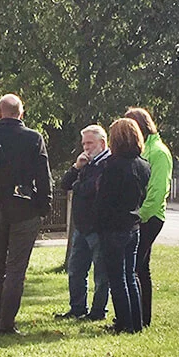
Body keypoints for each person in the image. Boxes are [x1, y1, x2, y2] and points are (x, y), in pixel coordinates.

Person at [0, 94, 52, 335]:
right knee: (16, 269)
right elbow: (43, 176)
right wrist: (43, 207)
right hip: (24, 210)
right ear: (21, 114)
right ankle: (7, 322)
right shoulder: (33, 138)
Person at [94, 118, 150, 334]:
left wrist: (97, 224)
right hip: (132, 225)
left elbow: (104, 200)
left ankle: (124, 323)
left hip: (113, 227)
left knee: (117, 278)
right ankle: (136, 322)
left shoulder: (112, 167)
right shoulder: (143, 165)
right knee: (130, 275)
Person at [55, 125, 111, 320]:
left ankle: (98, 311)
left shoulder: (108, 164)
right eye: (84, 144)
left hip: (98, 227)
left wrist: (78, 185)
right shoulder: (86, 163)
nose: (86, 147)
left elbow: (91, 189)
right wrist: (76, 168)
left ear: (102, 143)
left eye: (90, 143)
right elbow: (65, 184)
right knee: (76, 269)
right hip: (81, 226)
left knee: (101, 273)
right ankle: (77, 307)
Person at [124, 107, 171, 328]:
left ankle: (137, 319)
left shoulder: (158, 152)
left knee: (135, 268)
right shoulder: (144, 151)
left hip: (150, 217)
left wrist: (138, 216)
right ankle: (142, 318)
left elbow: (157, 192)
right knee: (141, 268)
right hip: (140, 215)